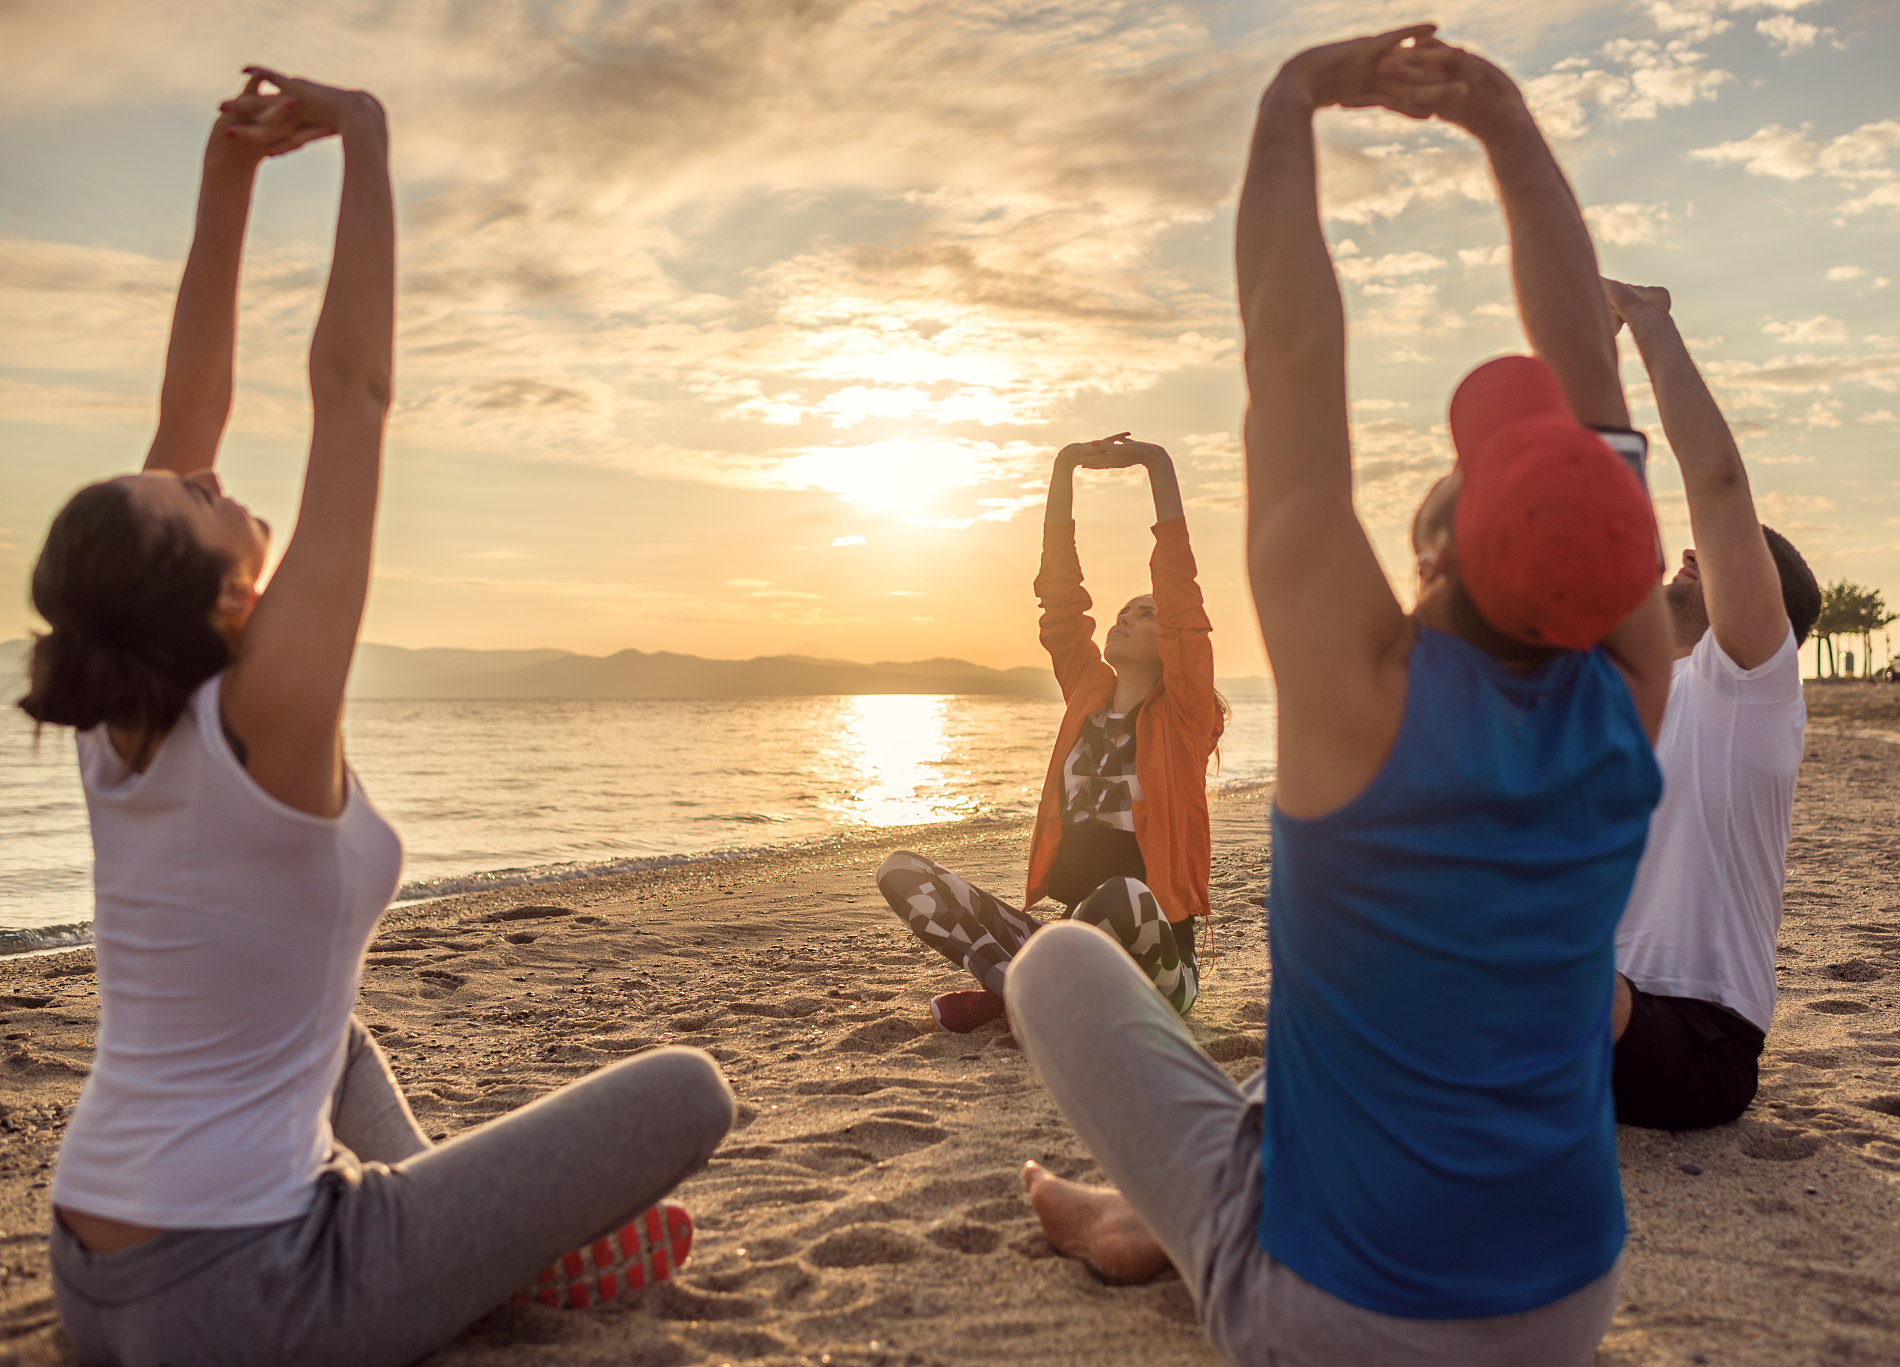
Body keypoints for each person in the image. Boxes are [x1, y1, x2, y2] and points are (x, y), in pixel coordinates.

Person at [18, 73, 733, 1367]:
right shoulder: (274, 708)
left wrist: (227, 174)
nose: (208, 470)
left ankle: (466, 1233)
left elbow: (195, 397)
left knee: (321, 1019)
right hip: (253, 1294)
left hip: (94, 1277)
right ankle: (497, 1258)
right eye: (197, 491)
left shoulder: (117, 706)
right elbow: (353, 395)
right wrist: (366, 140)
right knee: (693, 1086)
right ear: (232, 589)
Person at [1003, 26, 1672, 1366]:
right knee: (1413, 1031)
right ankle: (1164, 1212)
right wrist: (1510, 133)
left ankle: (1172, 1225)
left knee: (1056, 962)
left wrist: (1292, 97)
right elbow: (1590, 375)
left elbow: (1289, 354)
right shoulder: (1635, 689)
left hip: (1338, 1316)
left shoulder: (1360, 698)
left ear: (1427, 560)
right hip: (1569, 1295)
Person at [875, 434, 1223, 1033]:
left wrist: (1156, 466)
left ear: (1171, 642)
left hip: (1158, 961)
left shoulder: (1186, 718)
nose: (1123, 617)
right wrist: (1063, 469)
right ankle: (1022, 989)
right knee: (901, 872)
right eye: (1123, 610)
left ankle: (1015, 997)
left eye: (1146, 613)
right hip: (1062, 940)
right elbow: (1061, 600)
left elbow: (1182, 596)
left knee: (1124, 896)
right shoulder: (1087, 692)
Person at [1605, 278, 1822, 1132]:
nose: (1692, 546)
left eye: (1721, 556)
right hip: (1589, 1011)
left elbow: (1721, 486)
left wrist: (1646, 326)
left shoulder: (1745, 691)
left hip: (1699, 1043)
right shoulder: (1613, 698)